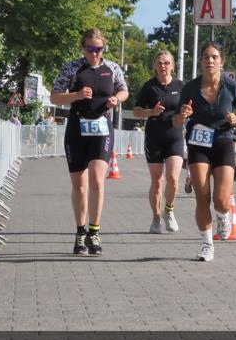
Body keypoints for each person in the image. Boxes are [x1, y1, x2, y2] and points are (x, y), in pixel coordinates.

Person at [50, 28, 128, 256]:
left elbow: (124, 91)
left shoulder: (112, 68)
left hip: (102, 128)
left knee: (97, 180)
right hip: (77, 128)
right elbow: (55, 96)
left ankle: (94, 231)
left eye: (98, 49)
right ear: (82, 48)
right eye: (90, 49)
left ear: (104, 49)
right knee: (80, 186)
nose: (94, 53)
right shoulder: (72, 68)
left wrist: (116, 99)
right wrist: (75, 95)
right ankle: (80, 232)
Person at [173, 41, 236, 262]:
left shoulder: (231, 86)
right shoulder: (190, 88)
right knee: (202, 197)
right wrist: (183, 115)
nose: (210, 61)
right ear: (201, 61)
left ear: (221, 61)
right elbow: (176, 120)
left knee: (222, 200)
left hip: (223, 140)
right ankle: (207, 244)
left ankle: (224, 215)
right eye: (206, 57)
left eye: (214, 57)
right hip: (198, 142)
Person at [134, 50, 185, 234]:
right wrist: (151, 113)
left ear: (172, 65)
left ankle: (169, 211)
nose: (163, 66)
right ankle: (156, 218)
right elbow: (136, 111)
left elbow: (188, 107)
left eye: (166, 63)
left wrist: (187, 113)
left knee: (173, 178)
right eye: (159, 63)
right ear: (155, 66)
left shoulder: (180, 86)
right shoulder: (149, 87)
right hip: (154, 137)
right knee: (157, 181)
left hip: (175, 136)